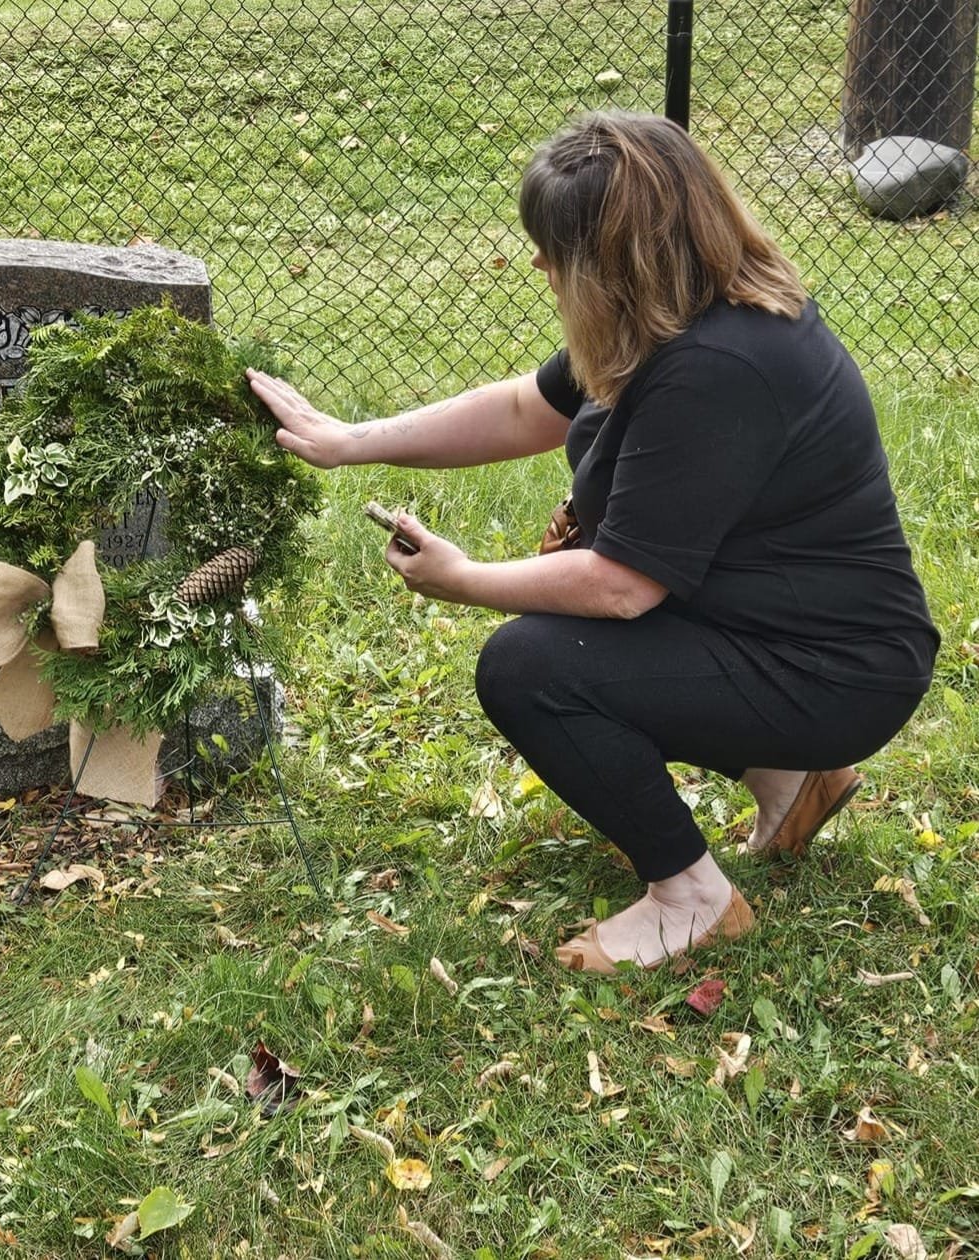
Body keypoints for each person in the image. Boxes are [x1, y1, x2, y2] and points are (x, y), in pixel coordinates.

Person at [247, 111, 938, 974]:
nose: (536, 262)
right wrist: (352, 440)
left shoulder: (721, 368)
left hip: (839, 671)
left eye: (551, 249)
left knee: (532, 667)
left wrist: (462, 577)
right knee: (577, 647)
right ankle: (793, 780)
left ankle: (691, 899)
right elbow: (520, 410)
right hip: (785, 631)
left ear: (614, 260)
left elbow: (620, 589)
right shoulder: (674, 310)